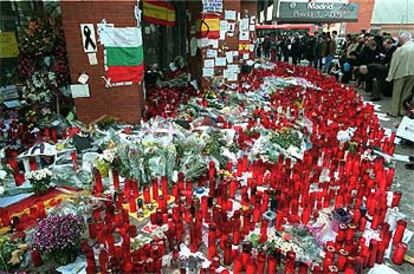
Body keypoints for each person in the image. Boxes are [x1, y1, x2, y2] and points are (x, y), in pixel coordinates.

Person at [386, 32, 414, 116]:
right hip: (412, 73)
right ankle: (402, 111)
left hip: (400, 73)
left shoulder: (400, 50)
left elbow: (394, 64)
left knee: (396, 93)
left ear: (403, 39)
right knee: (406, 93)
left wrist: (390, 76)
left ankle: (394, 111)